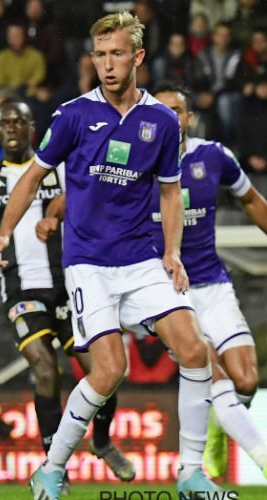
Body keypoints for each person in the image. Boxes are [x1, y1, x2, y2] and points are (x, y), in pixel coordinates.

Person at [0, 12, 222, 499]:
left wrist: (172, 253)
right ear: (92, 60)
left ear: (137, 58)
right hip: (88, 263)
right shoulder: (72, 115)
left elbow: (171, 193)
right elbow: (31, 178)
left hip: (141, 260)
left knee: (195, 350)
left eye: (117, 54)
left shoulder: (160, 121)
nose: (108, 65)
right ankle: (51, 469)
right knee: (111, 371)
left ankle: (192, 473)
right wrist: (4, 233)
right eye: (100, 55)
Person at [0, 98, 134, 491]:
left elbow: (89, 200)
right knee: (44, 366)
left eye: (19, 121)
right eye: (5, 122)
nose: (12, 128)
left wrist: (57, 215)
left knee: (103, 369)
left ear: (32, 127)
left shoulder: (61, 169)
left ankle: (102, 442)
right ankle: (57, 462)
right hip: (21, 287)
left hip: (71, 283)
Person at [150, 81, 267, 479]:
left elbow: (250, 199)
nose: (171, 117)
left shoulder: (213, 156)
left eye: (178, 110)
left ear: (189, 117)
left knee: (247, 381)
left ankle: (220, 426)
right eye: (162, 110)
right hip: (167, 294)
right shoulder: (134, 164)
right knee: (213, 377)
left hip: (214, 285)